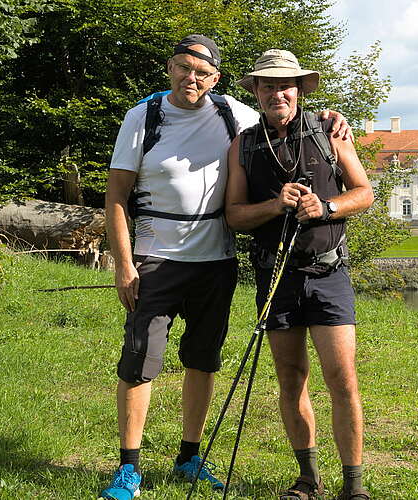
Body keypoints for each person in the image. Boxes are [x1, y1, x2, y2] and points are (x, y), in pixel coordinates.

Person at [100, 36, 350, 500]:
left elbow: (288, 114)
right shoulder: (144, 116)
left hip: (216, 258)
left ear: (215, 78)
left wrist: (335, 119)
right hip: (156, 256)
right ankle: (128, 468)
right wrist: (123, 266)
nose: (189, 78)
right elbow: (116, 198)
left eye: (200, 72)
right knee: (139, 361)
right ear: (170, 68)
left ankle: (189, 457)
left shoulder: (232, 113)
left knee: (203, 358)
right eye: (181, 67)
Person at [225, 49, 374, 500]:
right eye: (267, 85)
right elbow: (233, 216)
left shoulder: (330, 130)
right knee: (291, 378)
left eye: (284, 85)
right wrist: (275, 205)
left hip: (328, 274)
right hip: (276, 280)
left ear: (300, 89)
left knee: (342, 377)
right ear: (256, 92)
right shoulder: (244, 145)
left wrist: (325, 208)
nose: (277, 93)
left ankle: (354, 484)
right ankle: (308, 478)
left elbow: (364, 193)